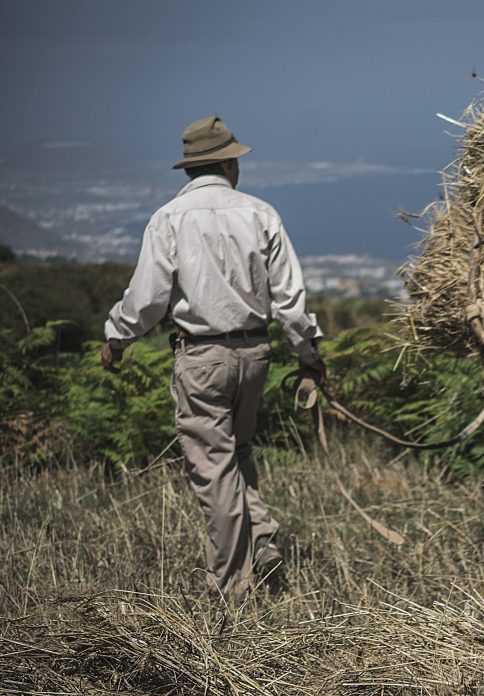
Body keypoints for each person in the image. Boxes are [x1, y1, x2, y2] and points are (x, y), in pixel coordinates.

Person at [102, 115, 326, 599]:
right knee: (237, 450)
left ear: (190, 168)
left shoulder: (168, 219)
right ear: (229, 164)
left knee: (214, 466)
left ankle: (229, 591)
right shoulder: (262, 214)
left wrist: (115, 340)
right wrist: (309, 355)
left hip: (200, 355)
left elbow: (146, 301)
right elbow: (290, 301)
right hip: (255, 352)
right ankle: (261, 537)